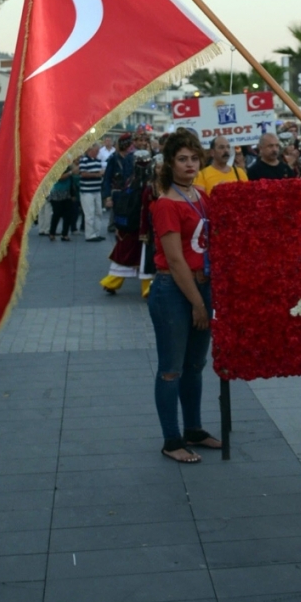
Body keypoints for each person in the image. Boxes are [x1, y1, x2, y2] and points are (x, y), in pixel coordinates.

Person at [148, 129, 221, 463]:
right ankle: (171, 439)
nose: (190, 164)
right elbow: (175, 260)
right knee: (171, 369)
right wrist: (197, 303)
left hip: (201, 285)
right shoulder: (165, 203)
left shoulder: (201, 195)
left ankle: (193, 429)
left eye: (194, 157)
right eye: (182, 159)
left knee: (195, 366)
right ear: (170, 163)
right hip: (173, 291)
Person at [101, 150, 154, 296]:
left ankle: (112, 282)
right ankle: (147, 287)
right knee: (145, 255)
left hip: (130, 225)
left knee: (126, 252)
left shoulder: (131, 180)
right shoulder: (147, 182)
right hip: (142, 224)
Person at [78, 143, 106, 241]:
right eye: (96, 151)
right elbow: (83, 174)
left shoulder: (98, 161)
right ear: (90, 150)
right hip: (87, 191)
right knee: (89, 213)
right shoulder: (83, 160)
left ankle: (96, 233)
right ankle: (89, 235)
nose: (97, 153)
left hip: (97, 190)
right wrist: (97, 175)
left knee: (98, 212)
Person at [47, 163, 75, 242]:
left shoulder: (68, 166)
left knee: (68, 214)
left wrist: (73, 193)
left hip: (67, 193)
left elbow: (72, 179)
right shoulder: (55, 166)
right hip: (56, 193)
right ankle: (52, 233)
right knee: (57, 213)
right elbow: (59, 178)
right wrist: (71, 172)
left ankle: (65, 234)